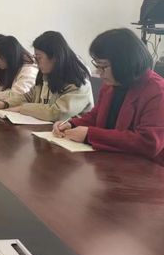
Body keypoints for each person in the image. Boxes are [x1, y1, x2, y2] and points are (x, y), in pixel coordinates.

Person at [53, 28, 164, 165]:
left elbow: (148, 142)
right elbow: (95, 117)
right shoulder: (111, 85)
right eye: (97, 65)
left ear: (124, 64)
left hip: (146, 169)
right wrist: (71, 124)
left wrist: (89, 135)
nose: (98, 72)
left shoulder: (157, 91)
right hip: (110, 162)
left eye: (103, 67)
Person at [0, 31, 94, 121]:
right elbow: (27, 97)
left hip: (69, 134)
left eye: (39, 58)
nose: (36, 63)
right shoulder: (46, 76)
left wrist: (22, 108)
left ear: (55, 57)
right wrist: (5, 104)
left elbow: (57, 112)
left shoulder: (79, 83)